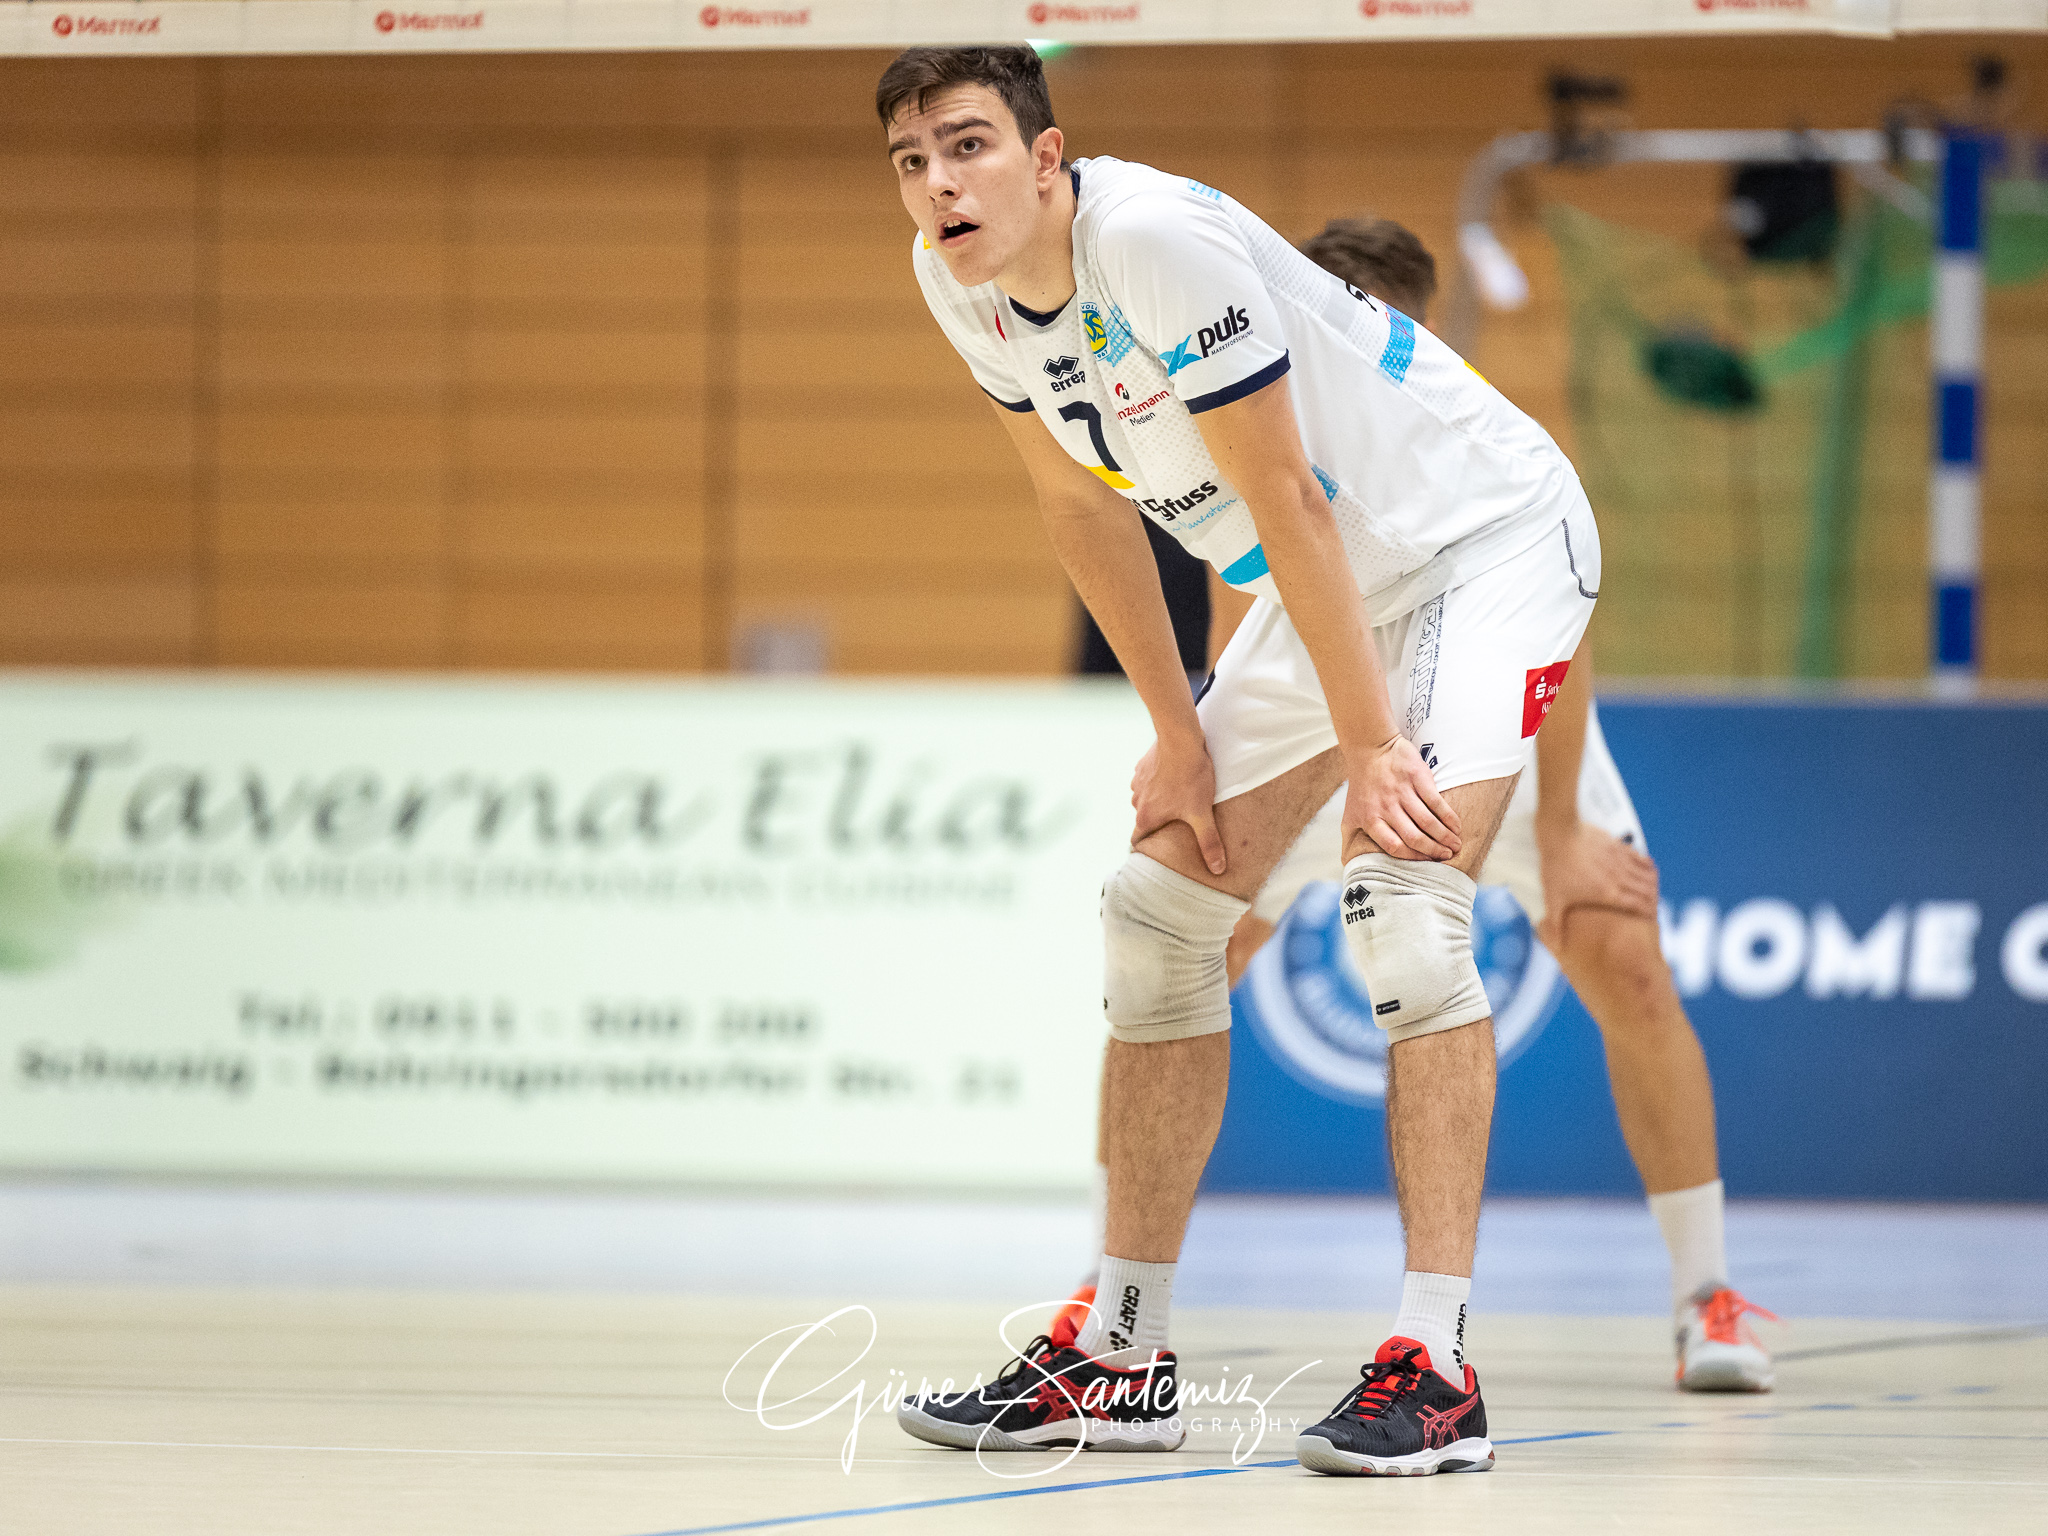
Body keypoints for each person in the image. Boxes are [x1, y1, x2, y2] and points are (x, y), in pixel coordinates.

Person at [882, 45, 1599, 1476]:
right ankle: (1118, 1351)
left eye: (966, 147)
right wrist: (1175, 733)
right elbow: (1083, 514)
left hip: (1481, 537)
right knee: (1160, 910)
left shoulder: (1147, 239)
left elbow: (1286, 499)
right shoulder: (955, 281)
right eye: (910, 162)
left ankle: (1436, 1361)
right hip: (1329, 575)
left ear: (1045, 157)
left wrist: (1372, 744)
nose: (938, 185)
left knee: (1401, 901)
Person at [1054, 217, 1775, 1398]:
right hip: (1332, 677)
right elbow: (1261, 566)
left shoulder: (1456, 433)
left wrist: (1554, 827)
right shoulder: (1239, 377)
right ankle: (1108, 1295)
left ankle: (1704, 1291)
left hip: (1488, 665)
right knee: (1181, 925)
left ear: (1406, 331)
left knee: (1619, 956)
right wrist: (1196, 741)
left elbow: (1558, 609)